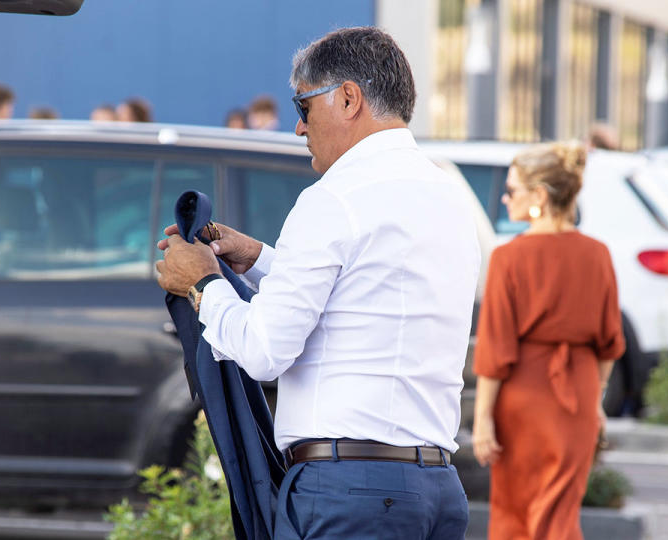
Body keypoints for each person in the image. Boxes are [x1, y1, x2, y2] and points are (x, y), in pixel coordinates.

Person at [156, 26, 479, 539]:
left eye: (303, 107)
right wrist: (261, 258)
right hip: (436, 488)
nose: (299, 128)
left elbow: (264, 351)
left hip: (349, 492)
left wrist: (201, 285)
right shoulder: (449, 197)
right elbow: (366, 297)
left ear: (348, 98)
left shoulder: (335, 197)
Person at [471, 141, 625, 540]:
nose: (505, 200)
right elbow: (610, 342)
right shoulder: (598, 255)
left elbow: (495, 347)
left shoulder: (510, 258)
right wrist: (594, 401)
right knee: (558, 513)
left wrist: (483, 417)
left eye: (512, 190)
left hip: (523, 397)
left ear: (539, 195)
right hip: (577, 393)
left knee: (514, 512)